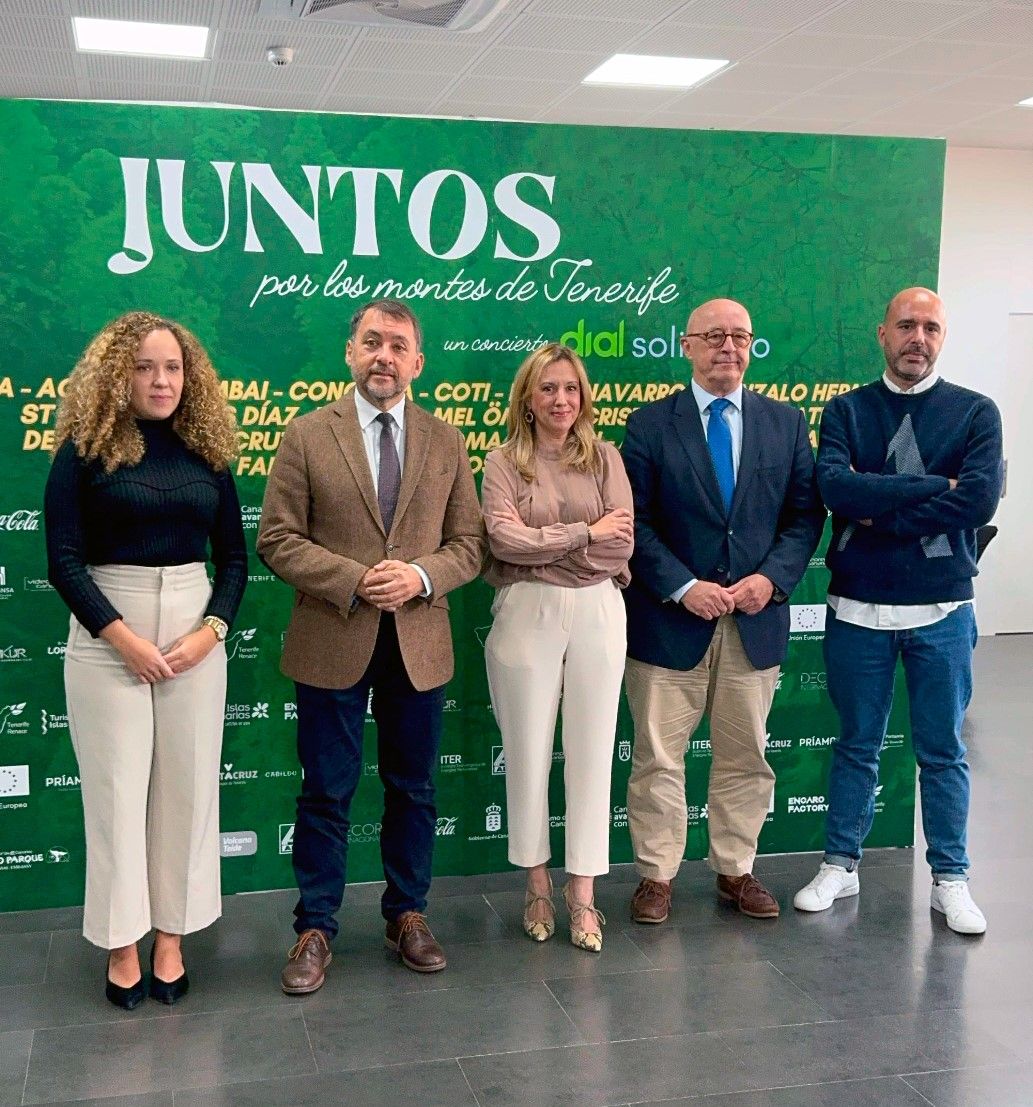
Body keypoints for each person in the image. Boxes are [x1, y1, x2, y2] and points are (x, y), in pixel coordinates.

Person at [257, 298, 484, 994]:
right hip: (334, 633)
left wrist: (417, 575)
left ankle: (407, 913)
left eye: (398, 346)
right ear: (350, 352)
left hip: (417, 640)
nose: (383, 355)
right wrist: (358, 578)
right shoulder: (304, 434)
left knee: (412, 788)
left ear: (417, 362)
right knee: (326, 789)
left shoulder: (445, 440)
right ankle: (316, 924)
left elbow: (469, 545)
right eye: (371, 342)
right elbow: (276, 538)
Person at [44, 311, 246, 1010]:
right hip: (108, 639)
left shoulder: (206, 451)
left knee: (186, 797)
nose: (161, 380)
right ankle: (122, 944)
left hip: (196, 634)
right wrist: (122, 636)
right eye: (144, 367)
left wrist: (210, 631)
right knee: (117, 800)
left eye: (173, 367)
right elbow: (63, 561)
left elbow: (235, 560)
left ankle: (170, 938)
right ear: (116, 374)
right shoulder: (81, 449)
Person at [794, 287, 1003, 935]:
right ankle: (839, 863)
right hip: (856, 608)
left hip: (941, 610)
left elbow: (976, 504)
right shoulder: (845, 410)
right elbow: (834, 486)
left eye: (930, 327)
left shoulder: (975, 413)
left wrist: (876, 502)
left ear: (943, 337)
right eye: (906, 325)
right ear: (881, 333)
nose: (918, 337)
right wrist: (930, 488)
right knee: (856, 743)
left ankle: (950, 879)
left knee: (941, 749)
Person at [621, 298, 825, 924]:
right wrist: (683, 586)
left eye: (739, 335)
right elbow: (635, 521)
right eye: (714, 336)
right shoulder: (650, 424)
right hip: (668, 622)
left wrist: (773, 579)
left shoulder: (786, 424)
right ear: (687, 345)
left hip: (753, 622)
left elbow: (803, 515)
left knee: (746, 755)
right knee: (658, 756)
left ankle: (735, 870)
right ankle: (657, 876)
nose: (727, 348)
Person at [482, 343, 633, 953]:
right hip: (526, 611)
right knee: (528, 753)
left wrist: (559, 543)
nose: (560, 400)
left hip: (599, 608)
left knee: (594, 753)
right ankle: (538, 884)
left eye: (570, 388)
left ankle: (583, 895)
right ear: (527, 398)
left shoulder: (605, 458)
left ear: (583, 395)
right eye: (547, 388)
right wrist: (583, 534)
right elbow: (504, 541)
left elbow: (620, 545)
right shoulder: (501, 462)